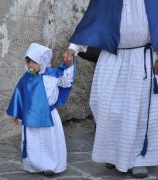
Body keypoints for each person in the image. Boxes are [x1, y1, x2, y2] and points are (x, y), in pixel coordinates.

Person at [63, 0, 158, 178]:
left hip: (142, 60)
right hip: (113, 58)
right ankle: (113, 154)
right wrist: (73, 49)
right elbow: (92, 23)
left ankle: (137, 160)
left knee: (136, 113)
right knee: (106, 106)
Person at [7, 43, 75, 175]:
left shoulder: (53, 75)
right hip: (31, 117)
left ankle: (50, 166)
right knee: (33, 141)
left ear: (43, 62)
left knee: (49, 140)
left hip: (49, 116)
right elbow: (18, 95)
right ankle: (34, 165)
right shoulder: (26, 79)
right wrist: (16, 114)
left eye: (34, 62)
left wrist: (70, 64)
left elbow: (67, 81)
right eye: (28, 62)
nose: (30, 65)